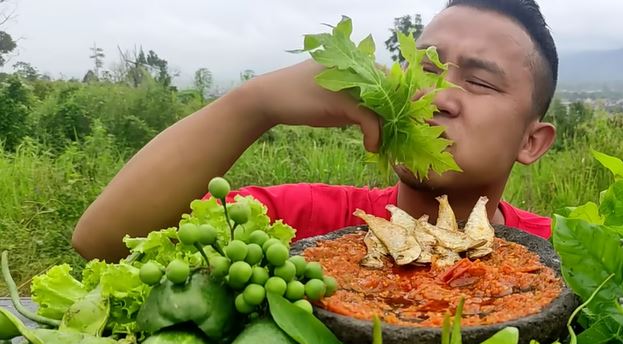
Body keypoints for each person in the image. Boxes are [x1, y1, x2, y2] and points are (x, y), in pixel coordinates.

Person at [71, 0, 559, 262]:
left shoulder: (563, 256)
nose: (435, 97)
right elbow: (105, 241)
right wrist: (254, 104)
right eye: (422, 69)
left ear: (530, 142)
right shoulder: (302, 223)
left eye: (477, 81)